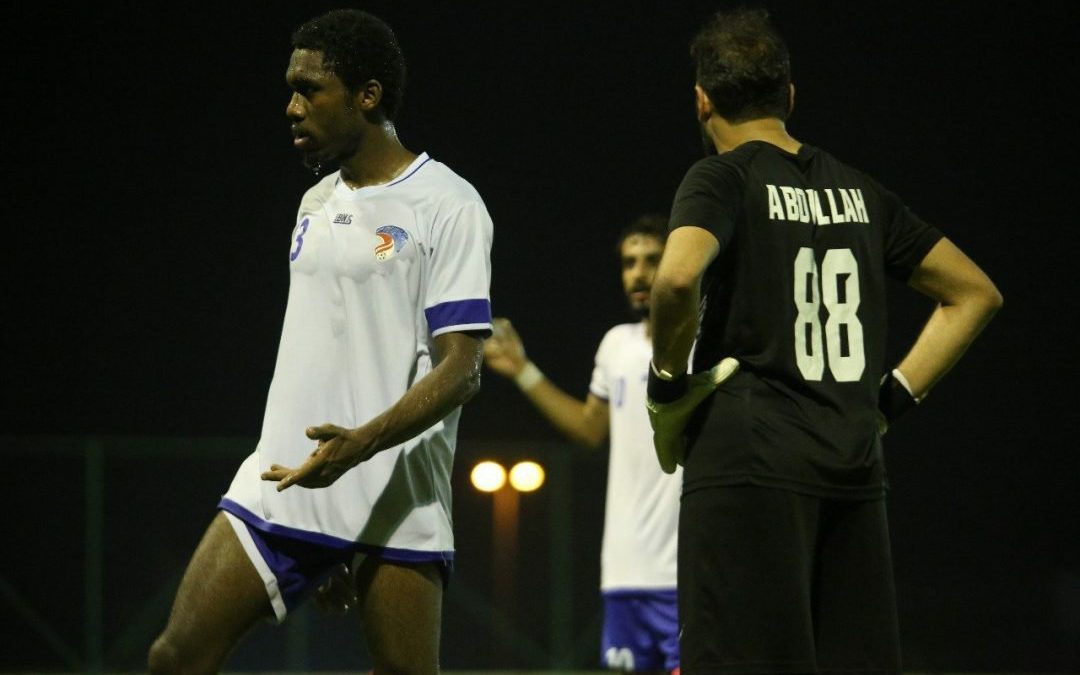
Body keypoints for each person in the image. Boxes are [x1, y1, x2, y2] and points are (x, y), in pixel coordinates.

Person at [646, 7, 1002, 674]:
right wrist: (888, 402)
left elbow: (675, 279)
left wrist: (667, 385)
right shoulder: (862, 191)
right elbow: (974, 293)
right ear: (789, 94)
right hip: (852, 463)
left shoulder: (721, 177)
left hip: (748, 460)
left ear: (701, 101)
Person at [147, 9, 493, 675]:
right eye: (291, 90)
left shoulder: (449, 204)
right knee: (175, 658)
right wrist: (323, 523)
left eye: (310, 90)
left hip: (393, 490)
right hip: (284, 479)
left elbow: (464, 369)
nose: (292, 107)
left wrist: (358, 446)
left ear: (368, 96)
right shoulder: (315, 201)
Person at [483, 215, 681, 675]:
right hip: (624, 572)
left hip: (686, 573)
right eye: (629, 263)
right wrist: (523, 371)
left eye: (652, 260)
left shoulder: (704, 345)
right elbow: (591, 429)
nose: (638, 273)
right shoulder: (616, 344)